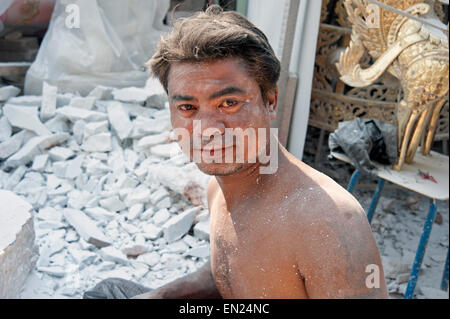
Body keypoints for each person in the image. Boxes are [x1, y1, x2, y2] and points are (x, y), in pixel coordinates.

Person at [84, 4, 388, 299]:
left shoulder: (329, 222)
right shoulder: (220, 188)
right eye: (187, 108)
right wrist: (161, 295)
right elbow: (235, 272)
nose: (207, 129)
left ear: (270, 101)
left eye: (228, 103)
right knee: (108, 291)